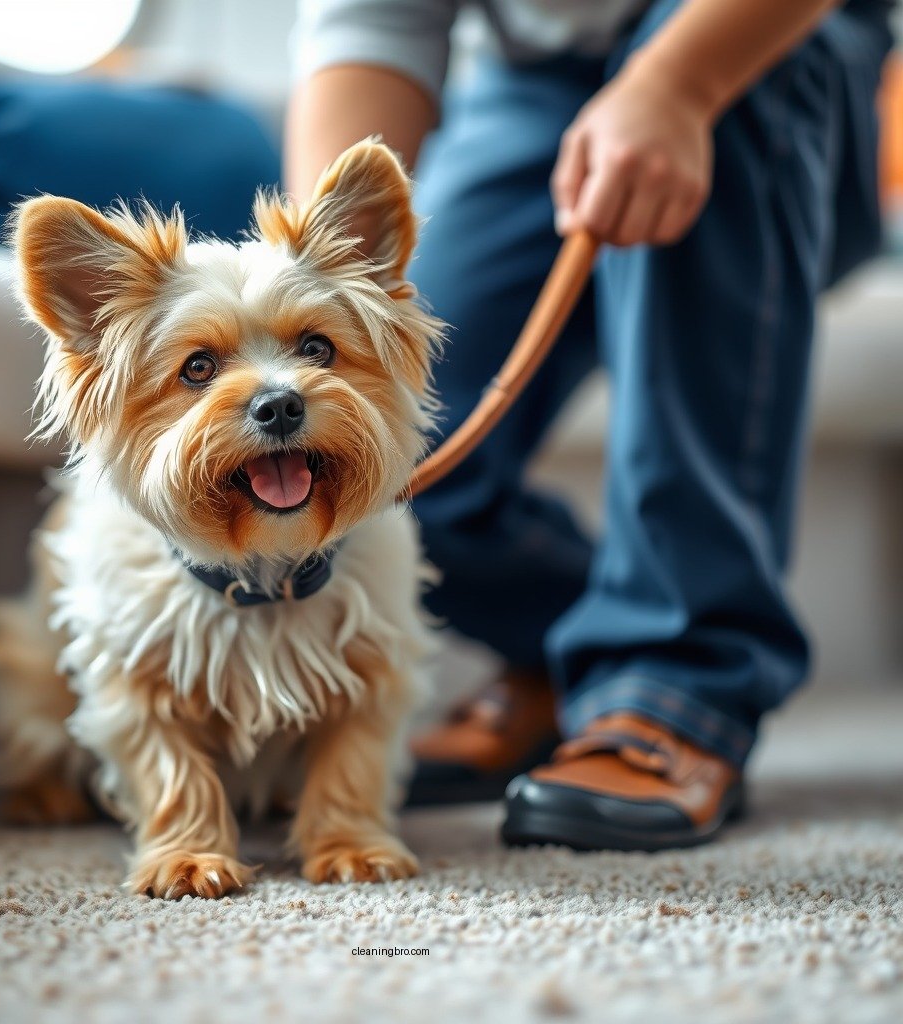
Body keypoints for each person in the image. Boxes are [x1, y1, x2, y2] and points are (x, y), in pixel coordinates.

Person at [285, 0, 894, 849]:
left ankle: (675, 687)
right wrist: (311, 292)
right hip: (529, 83)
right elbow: (372, 26)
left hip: (763, 46)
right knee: (380, 460)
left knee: (737, 97)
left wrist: (679, 86)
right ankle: (580, 658)